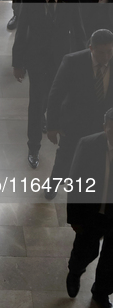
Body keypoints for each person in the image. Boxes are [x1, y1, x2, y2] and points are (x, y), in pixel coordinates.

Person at [12, 0, 86, 170]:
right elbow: (21, 35)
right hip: (37, 61)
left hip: (63, 61)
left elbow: (78, 31)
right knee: (36, 104)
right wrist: (17, 63)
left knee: (59, 100)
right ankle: (33, 148)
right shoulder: (29, 1)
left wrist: (83, 60)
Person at [45, 29, 113, 200]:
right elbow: (56, 94)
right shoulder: (73, 62)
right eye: (101, 52)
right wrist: (52, 126)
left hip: (104, 126)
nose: (106, 57)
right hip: (75, 123)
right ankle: (52, 186)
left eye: (110, 51)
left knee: (96, 161)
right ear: (91, 48)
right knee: (65, 159)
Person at [65, 107, 113, 308]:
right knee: (85, 252)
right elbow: (74, 183)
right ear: (105, 127)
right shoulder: (88, 145)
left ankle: (100, 293)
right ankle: (75, 272)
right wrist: (74, 219)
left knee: (111, 261)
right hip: (92, 214)